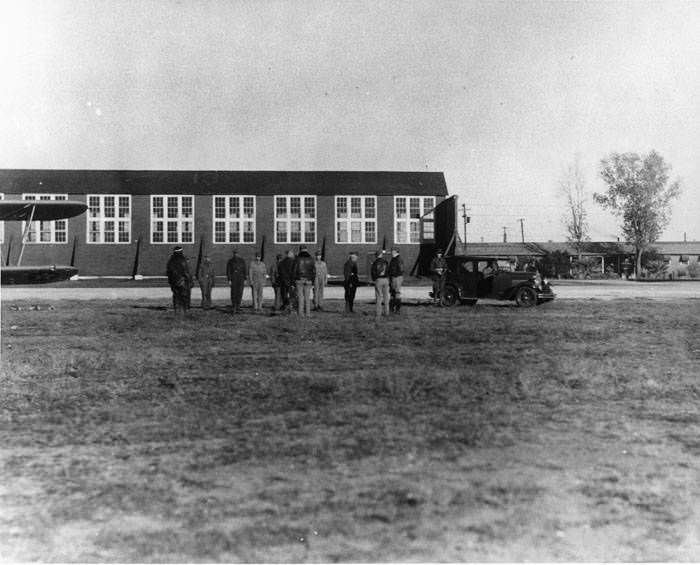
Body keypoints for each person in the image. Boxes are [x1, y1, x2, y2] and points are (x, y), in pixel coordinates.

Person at [166, 246, 194, 316]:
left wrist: (170, 281)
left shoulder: (170, 261)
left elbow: (168, 273)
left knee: (176, 296)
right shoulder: (183, 260)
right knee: (184, 296)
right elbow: (186, 272)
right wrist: (190, 281)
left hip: (174, 282)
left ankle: (177, 310)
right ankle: (185, 311)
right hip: (183, 281)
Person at [292, 244, 315, 317]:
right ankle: (308, 313)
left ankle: (300, 313)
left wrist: (293, 280)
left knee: (300, 297)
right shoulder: (311, 259)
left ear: (300, 250)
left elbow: (294, 270)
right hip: (308, 280)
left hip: (299, 279)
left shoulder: (297, 259)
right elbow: (314, 271)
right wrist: (313, 280)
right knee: (307, 297)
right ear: (307, 249)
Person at [226, 249, 247, 314]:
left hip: (241, 278)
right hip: (233, 278)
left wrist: (245, 279)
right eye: (235, 253)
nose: (236, 254)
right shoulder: (230, 261)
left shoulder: (242, 261)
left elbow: (245, 270)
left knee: (240, 292)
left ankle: (238, 306)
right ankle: (234, 306)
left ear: (239, 253)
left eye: (237, 253)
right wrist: (229, 279)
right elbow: (228, 271)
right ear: (233, 254)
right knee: (234, 292)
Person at [370, 249, 390, 318]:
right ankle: (387, 312)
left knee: (378, 297)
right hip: (386, 280)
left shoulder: (375, 263)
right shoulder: (386, 262)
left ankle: (378, 313)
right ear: (381, 255)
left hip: (378, 280)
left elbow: (372, 272)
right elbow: (388, 270)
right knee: (386, 297)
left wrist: (374, 279)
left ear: (376, 255)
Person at [388, 246, 404, 314]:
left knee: (397, 293)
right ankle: (392, 308)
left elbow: (401, 269)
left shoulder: (398, 259)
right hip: (393, 277)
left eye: (392, 251)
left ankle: (397, 309)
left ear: (395, 251)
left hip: (397, 277)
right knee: (392, 292)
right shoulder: (393, 259)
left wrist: (394, 274)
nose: (391, 252)